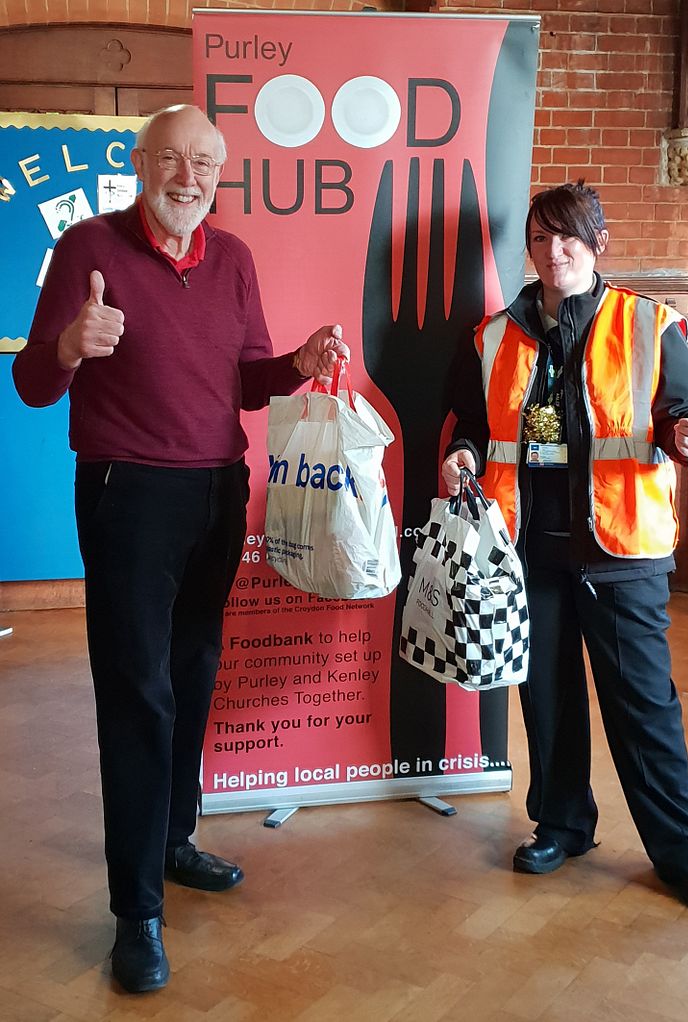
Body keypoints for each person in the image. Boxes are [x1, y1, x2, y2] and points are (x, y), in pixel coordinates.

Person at [13, 104, 348, 993]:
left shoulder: (232, 258)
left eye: (205, 162)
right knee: (136, 690)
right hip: (127, 492)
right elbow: (32, 386)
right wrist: (68, 346)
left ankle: (174, 839)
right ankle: (136, 912)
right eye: (172, 158)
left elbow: (245, 381)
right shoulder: (89, 247)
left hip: (216, 490)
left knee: (194, 669)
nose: (189, 175)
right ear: (139, 162)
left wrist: (301, 363)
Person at [442, 180, 688, 913]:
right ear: (530, 249)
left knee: (643, 706)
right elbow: (475, 428)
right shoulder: (493, 335)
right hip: (528, 550)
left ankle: (682, 853)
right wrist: (463, 459)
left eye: (568, 236)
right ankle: (562, 824)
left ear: (597, 242)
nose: (555, 250)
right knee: (546, 698)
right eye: (541, 238)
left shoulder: (645, 322)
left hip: (622, 550)